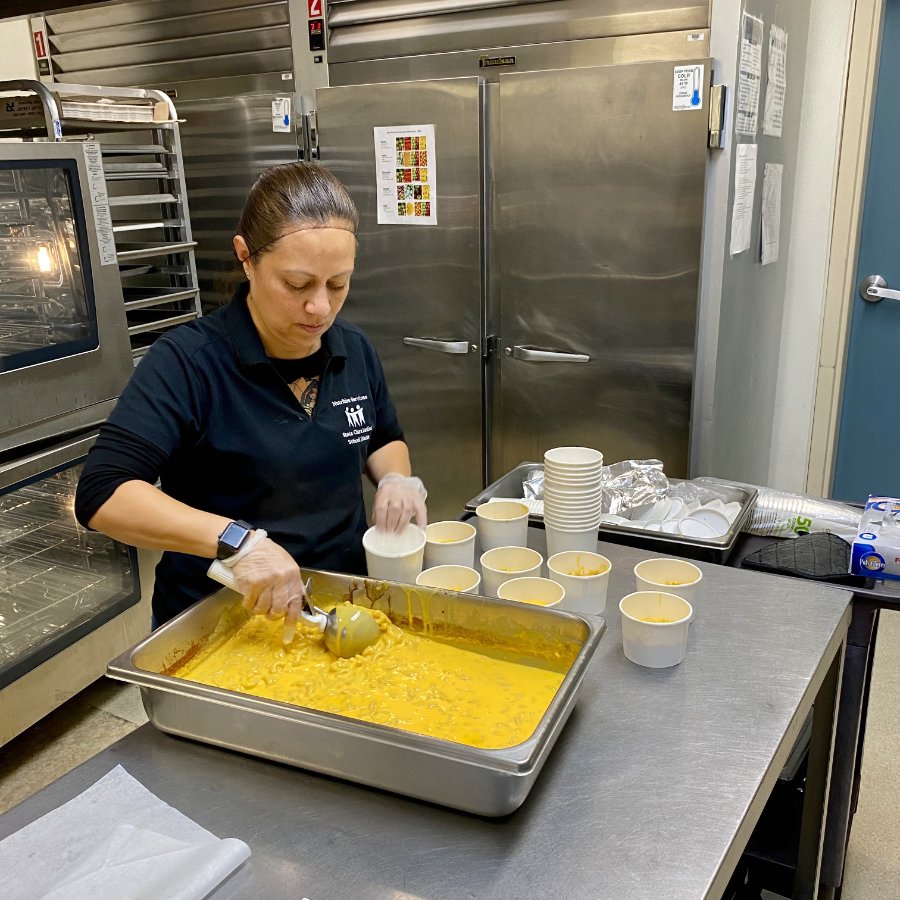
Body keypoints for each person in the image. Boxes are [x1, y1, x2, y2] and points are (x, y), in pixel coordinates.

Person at [75, 162, 427, 629]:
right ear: (246, 257)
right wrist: (238, 542)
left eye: (338, 284)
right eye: (297, 284)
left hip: (342, 609)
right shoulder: (189, 363)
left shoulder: (354, 349)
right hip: (223, 622)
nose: (320, 307)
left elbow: (382, 437)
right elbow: (103, 493)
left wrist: (394, 480)